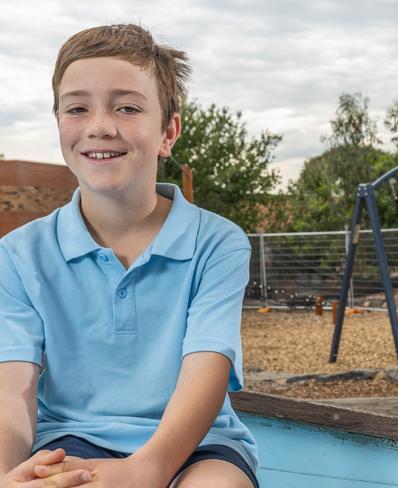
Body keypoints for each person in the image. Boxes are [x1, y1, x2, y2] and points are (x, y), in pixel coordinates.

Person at [0, 24, 258, 488]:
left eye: (128, 107)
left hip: (198, 446)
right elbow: (12, 390)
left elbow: (208, 366)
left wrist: (149, 468)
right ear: (59, 122)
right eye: (77, 107)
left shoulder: (217, 243)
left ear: (168, 131)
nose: (100, 126)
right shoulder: (19, 255)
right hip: (70, 439)